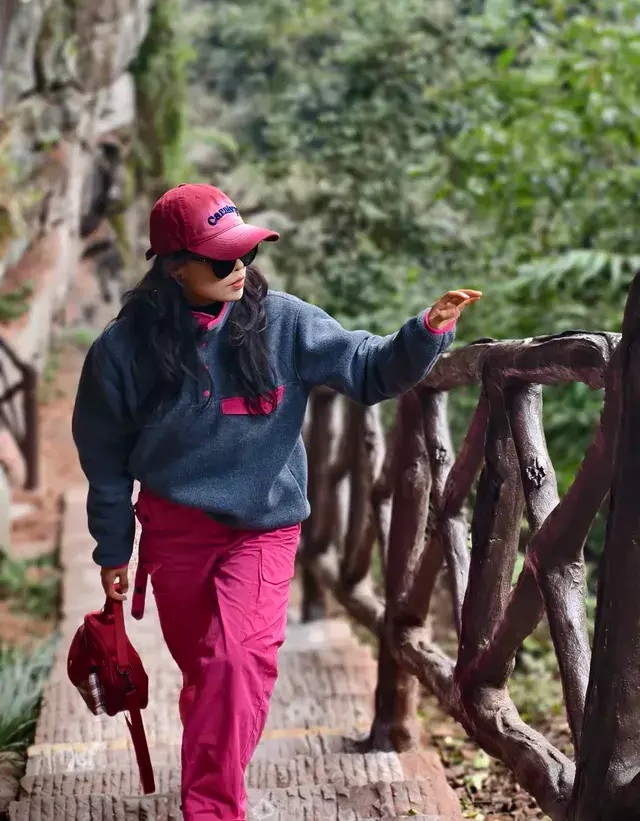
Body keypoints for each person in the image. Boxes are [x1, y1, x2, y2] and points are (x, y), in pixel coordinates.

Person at [72, 183, 481, 821]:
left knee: (237, 664)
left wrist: (427, 331)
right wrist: (113, 548)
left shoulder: (284, 323)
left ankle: (210, 809)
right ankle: (214, 769)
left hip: (260, 531)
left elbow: (368, 369)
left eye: (245, 256)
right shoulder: (120, 353)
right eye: (220, 261)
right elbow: (101, 458)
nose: (238, 271)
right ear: (174, 266)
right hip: (174, 534)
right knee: (209, 676)